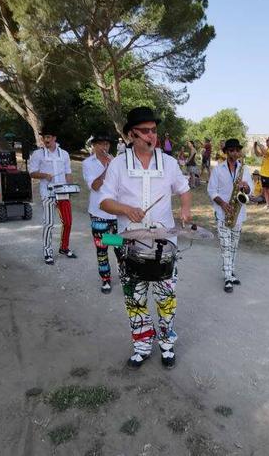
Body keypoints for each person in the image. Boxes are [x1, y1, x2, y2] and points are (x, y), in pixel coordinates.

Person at [99, 106, 192, 370]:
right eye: (146, 131)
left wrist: (185, 208)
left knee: (166, 299)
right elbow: (105, 201)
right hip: (130, 245)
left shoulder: (170, 163)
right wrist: (126, 210)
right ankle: (141, 346)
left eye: (154, 131)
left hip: (165, 245)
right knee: (135, 298)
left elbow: (184, 191)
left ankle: (166, 344)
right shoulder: (118, 165)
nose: (152, 136)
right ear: (132, 134)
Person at [207, 138, 252, 293]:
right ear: (226, 152)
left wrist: (246, 187)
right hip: (222, 213)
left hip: (238, 214)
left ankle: (230, 272)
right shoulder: (218, 170)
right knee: (226, 246)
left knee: (233, 246)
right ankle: (227, 277)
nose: (235, 153)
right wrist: (223, 204)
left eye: (237, 150)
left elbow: (249, 191)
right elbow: (211, 191)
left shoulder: (244, 170)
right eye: (231, 150)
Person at [28, 127, 77, 265]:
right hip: (48, 192)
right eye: (44, 137)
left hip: (63, 192)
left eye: (49, 137)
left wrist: (70, 187)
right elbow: (32, 173)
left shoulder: (64, 154)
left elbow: (68, 172)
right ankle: (47, 251)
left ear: (55, 138)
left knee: (68, 222)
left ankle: (64, 247)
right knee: (49, 223)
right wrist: (44, 175)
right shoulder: (38, 154)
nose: (46, 140)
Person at [82, 132, 121, 294]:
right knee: (102, 248)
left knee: (120, 246)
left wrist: (115, 166)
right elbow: (96, 186)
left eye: (107, 144)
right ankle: (105, 279)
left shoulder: (117, 162)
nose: (105, 147)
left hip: (117, 213)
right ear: (94, 145)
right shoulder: (87, 163)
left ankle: (124, 274)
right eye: (101, 144)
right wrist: (108, 168)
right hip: (99, 213)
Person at [254, 136, 269, 210]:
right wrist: (255, 147)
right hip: (263, 173)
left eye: (268, 140)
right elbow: (258, 154)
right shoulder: (267, 149)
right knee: (264, 189)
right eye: (266, 140)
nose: (267, 141)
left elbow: (266, 153)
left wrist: (260, 146)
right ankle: (267, 204)